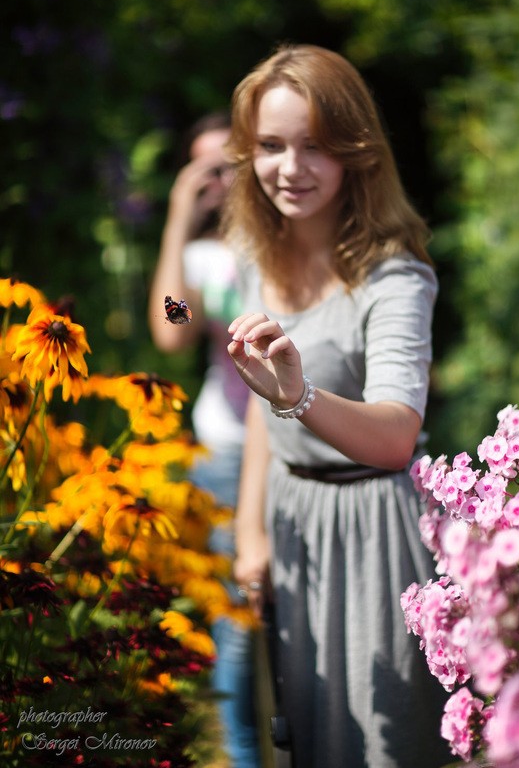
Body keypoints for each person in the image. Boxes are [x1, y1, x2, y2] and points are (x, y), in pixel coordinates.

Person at [222, 44, 450, 768]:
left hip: (374, 534)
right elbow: (260, 404)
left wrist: (303, 395)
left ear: (357, 152)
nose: (291, 168)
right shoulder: (255, 254)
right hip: (291, 527)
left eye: (315, 146)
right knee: (303, 739)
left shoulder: (396, 276)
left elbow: (394, 437)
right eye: (271, 145)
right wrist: (249, 527)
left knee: (377, 743)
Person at [148, 112, 261, 768]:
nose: (219, 180)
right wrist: (176, 221)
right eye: (205, 169)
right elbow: (173, 328)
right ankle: (246, 754)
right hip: (224, 449)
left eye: (229, 164)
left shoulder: (283, 238)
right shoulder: (195, 260)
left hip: (295, 442)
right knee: (237, 623)